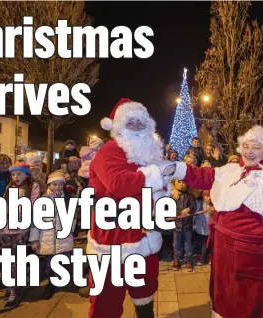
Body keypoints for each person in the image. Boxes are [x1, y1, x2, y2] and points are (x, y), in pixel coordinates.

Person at [163, 125, 263, 318]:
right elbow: (202, 175)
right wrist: (173, 169)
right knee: (224, 300)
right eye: (246, 146)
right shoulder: (232, 171)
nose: (249, 151)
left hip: (258, 259)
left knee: (256, 305)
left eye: (256, 147)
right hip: (224, 255)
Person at [87, 98, 171, 318]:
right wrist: (155, 176)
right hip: (112, 237)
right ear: (118, 127)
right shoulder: (109, 151)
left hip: (144, 233)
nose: (136, 127)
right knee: (106, 300)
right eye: (130, 122)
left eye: (140, 123)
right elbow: (119, 184)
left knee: (145, 292)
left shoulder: (149, 153)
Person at [0, 162, 41, 309]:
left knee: (17, 261)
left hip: (21, 230)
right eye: (14, 174)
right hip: (5, 229)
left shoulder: (32, 187)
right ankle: (11, 286)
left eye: (19, 174)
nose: (16, 177)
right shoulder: (9, 187)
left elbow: (34, 207)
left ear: (27, 174)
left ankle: (15, 290)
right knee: (6, 260)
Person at [30, 170, 76, 300]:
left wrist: (69, 228)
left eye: (60, 184)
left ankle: (61, 280)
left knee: (62, 261)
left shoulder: (67, 199)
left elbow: (73, 218)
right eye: (54, 184)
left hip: (63, 237)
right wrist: (34, 239)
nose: (57, 187)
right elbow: (35, 222)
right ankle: (51, 284)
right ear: (49, 184)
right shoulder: (42, 200)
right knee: (49, 265)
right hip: (46, 238)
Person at [170, 179, 196, 272]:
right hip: (176, 225)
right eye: (179, 182)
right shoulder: (173, 195)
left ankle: (188, 260)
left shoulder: (190, 195)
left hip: (187, 225)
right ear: (175, 184)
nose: (182, 184)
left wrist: (188, 209)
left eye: (184, 182)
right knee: (176, 243)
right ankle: (176, 259)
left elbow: (194, 207)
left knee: (188, 243)